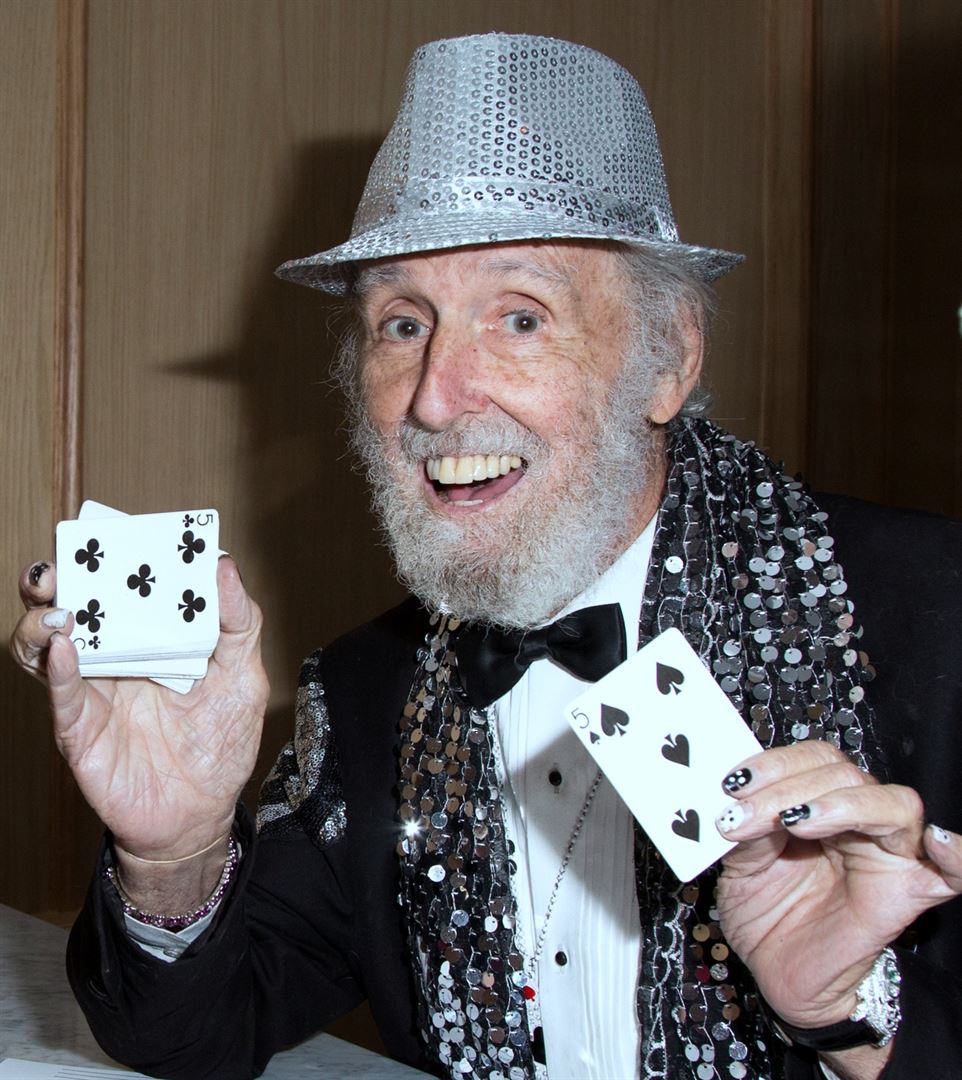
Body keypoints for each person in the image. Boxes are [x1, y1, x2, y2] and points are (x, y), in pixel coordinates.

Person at [11, 32, 962, 1080]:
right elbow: (193, 1034)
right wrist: (174, 850)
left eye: (519, 317)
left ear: (670, 358)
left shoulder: (933, 623)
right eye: (401, 324)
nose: (435, 396)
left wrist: (855, 1018)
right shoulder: (369, 693)